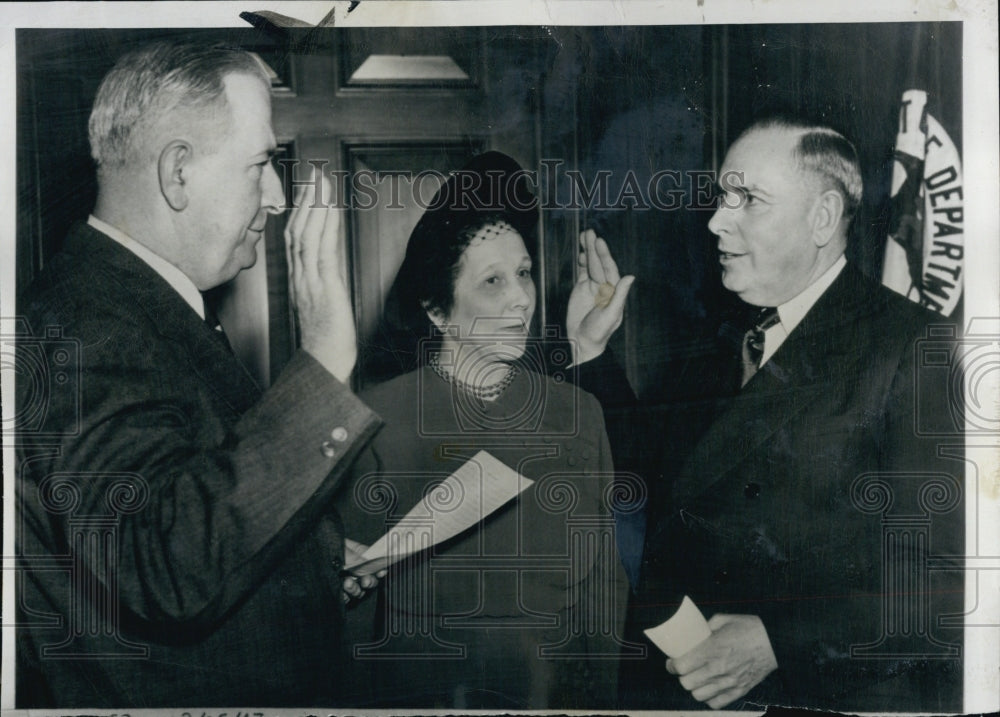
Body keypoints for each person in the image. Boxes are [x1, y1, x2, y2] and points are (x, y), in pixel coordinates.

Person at [15, 42, 381, 707]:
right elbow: (156, 564)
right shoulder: (88, 321)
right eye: (262, 163)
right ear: (179, 172)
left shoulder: (130, 305)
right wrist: (325, 358)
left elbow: (192, 502)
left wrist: (305, 560)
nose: (275, 197)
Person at [621, 116, 964, 711]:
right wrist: (593, 355)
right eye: (722, 197)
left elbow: (947, 583)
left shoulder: (913, 348)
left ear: (823, 218)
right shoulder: (718, 342)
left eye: (747, 199)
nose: (715, 222)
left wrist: (781, 640)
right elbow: (649, 485)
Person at [334, 152, 632, 709]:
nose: (521, 297)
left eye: (523, 273)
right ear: (438, 310)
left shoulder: (578, 415)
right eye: (492, 281)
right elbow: (350, 614)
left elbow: (602, 596)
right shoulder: (375, 421)